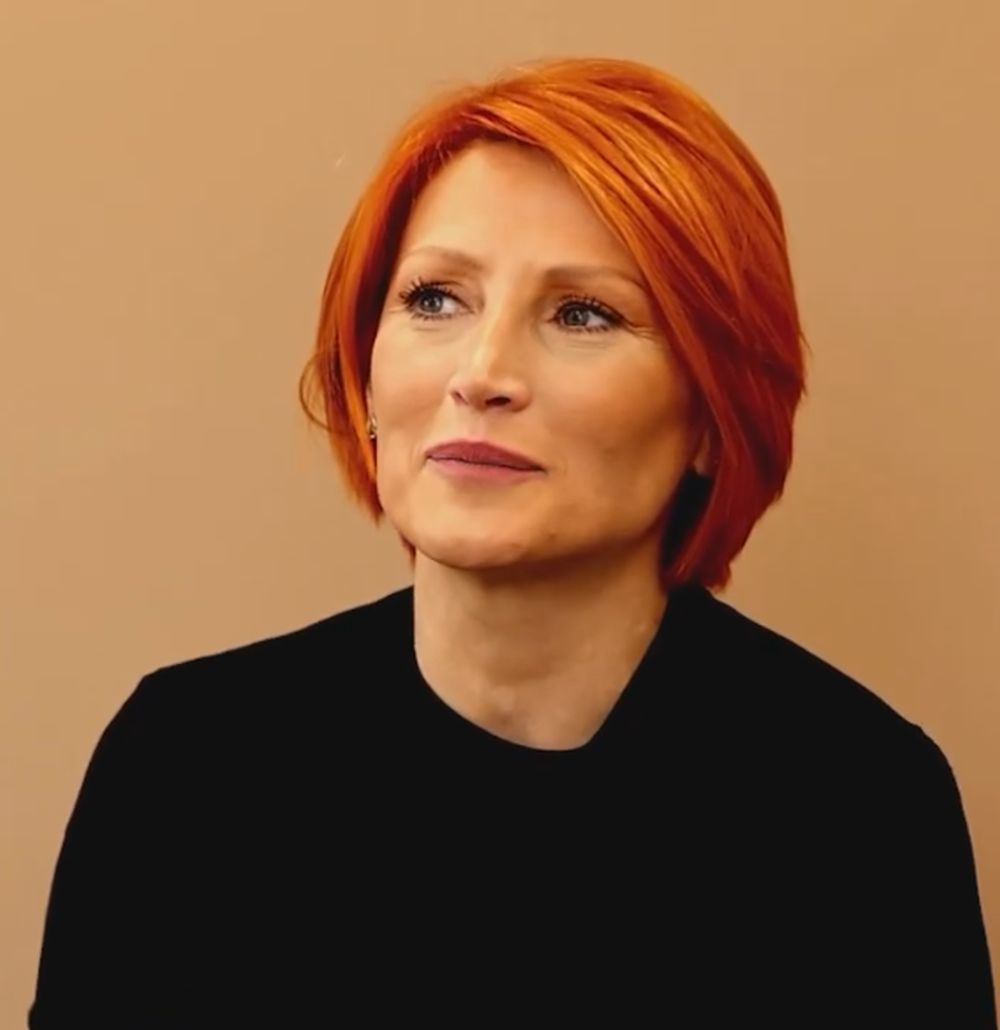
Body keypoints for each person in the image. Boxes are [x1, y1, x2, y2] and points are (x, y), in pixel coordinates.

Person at [30, 55, 996, 1028]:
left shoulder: (861, 806)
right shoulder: (186, 768)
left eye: (583, 313)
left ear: (713, 415)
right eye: (434, 299)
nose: (481, 373)